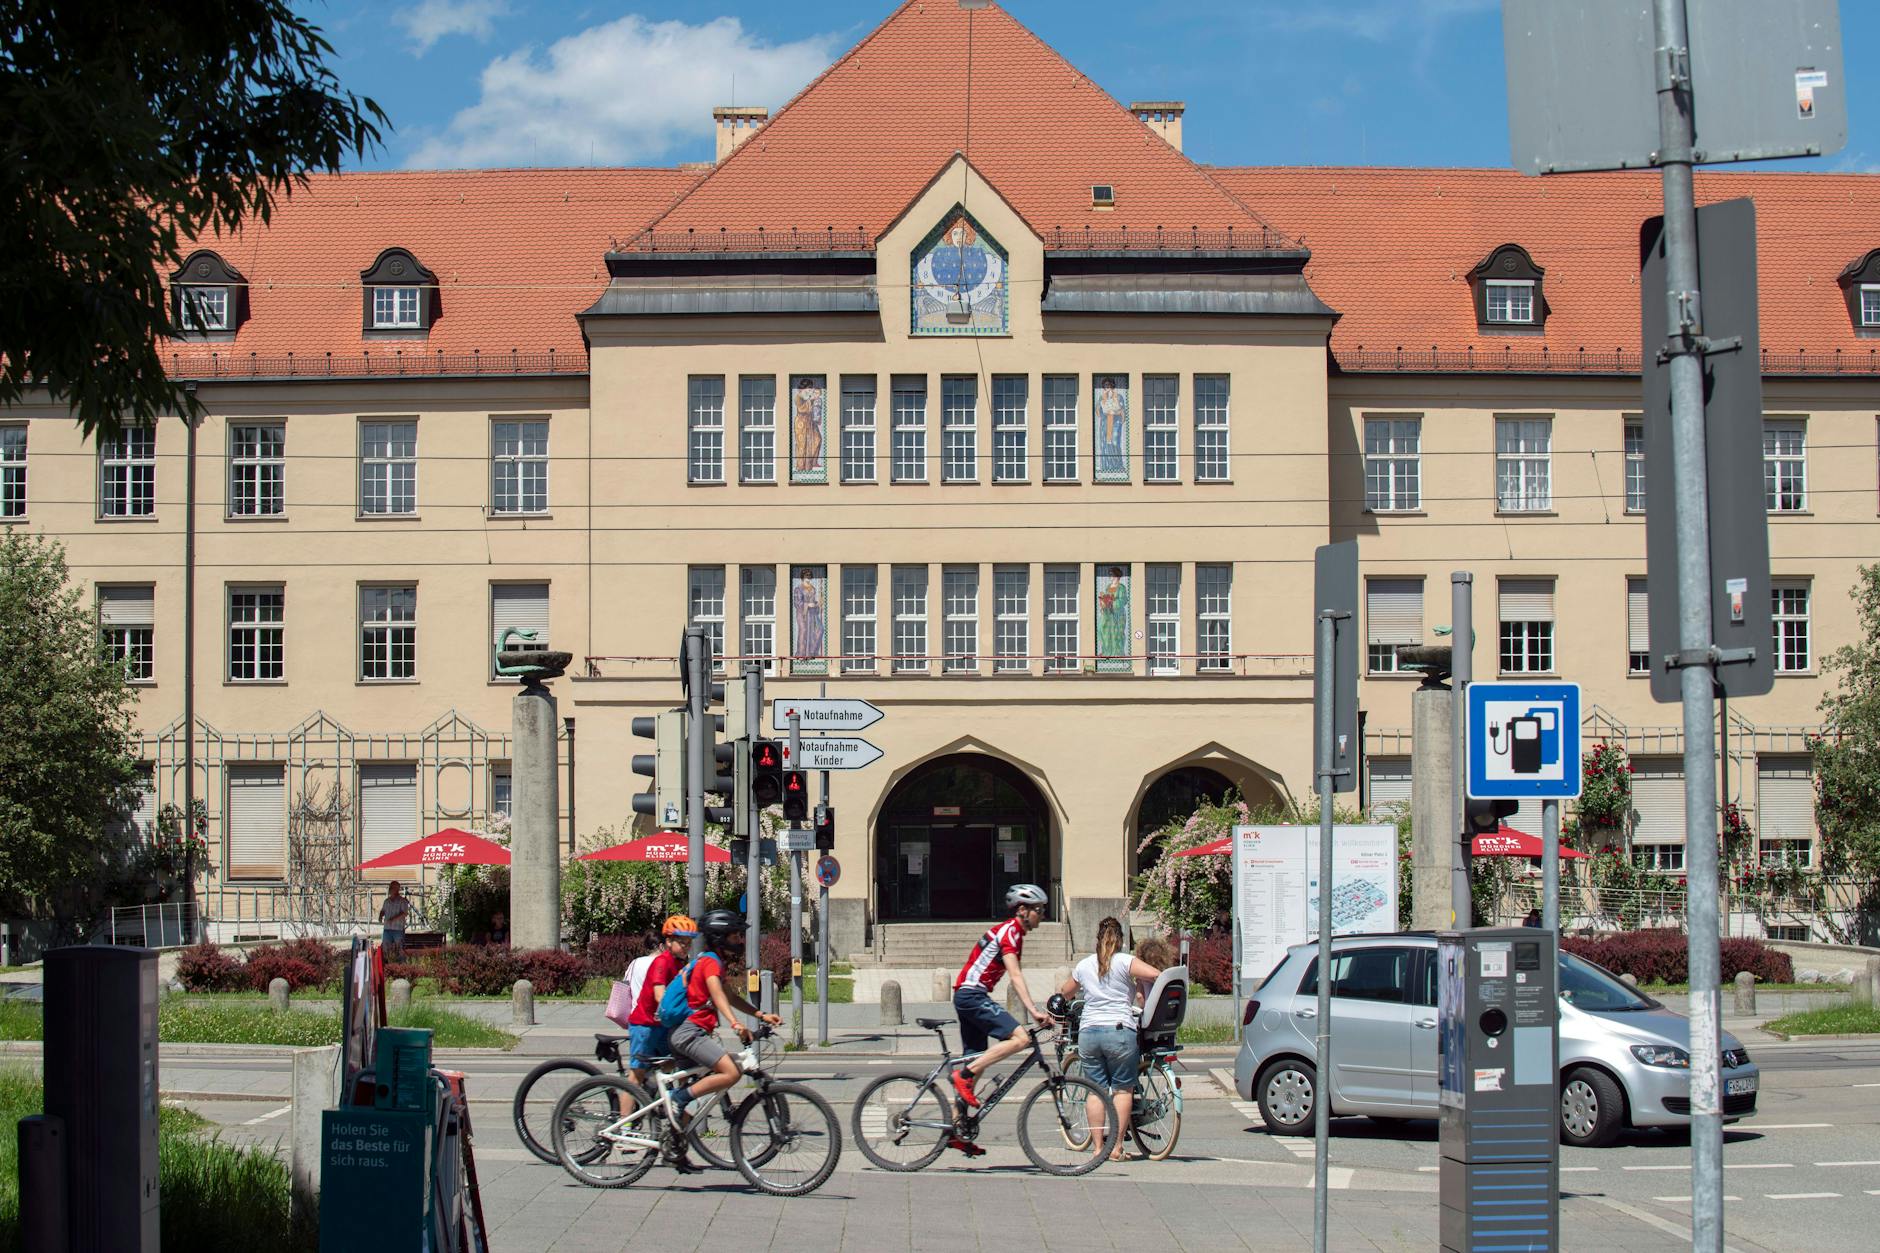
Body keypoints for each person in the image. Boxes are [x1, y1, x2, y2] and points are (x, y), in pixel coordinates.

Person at [948, 883, 1052, 1151]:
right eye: (1039, 910)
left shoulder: (1012, 932)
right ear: (1022, 910)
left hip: (968, 994)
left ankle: (957, 1131)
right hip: (972, 995)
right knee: (1021, 1039)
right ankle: (963, 1075)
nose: (1042, 915)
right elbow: (1015, 975)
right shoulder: (1010, 932)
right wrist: (1033, 1010)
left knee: (976, 1061)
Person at [667, 910, 782, 1152]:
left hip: (692, 1032)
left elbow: (730, 997)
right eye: (735, 936)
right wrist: (735, 1024)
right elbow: (717, 994)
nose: (739, 941)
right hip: (690, 1033)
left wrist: (760, 1015)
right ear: (720, 937)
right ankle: (678, 1100)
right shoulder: (710, 962)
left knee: (707, 1082)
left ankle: (675, 1146)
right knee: (730, 1073)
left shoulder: (713, 961)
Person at [1059, 917, 1165, 1160]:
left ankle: (1098, 1148)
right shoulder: (1125, 961)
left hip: (1089, 1033)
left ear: (1097, 939)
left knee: (1095, 1091)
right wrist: (1142, 987)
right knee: (1122, 1090)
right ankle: (1116, 1147)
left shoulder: (1084, 965)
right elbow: (1157, 975)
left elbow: (1065, 991)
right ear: (1121, 940)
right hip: (1119, 1031)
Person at [625, 915, 696, 1085]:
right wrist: (685, 1011)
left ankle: (660, 1094)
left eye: (689, 943)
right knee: (637, 1074)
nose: (686, 947)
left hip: (663, 1025)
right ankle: (627, 1104)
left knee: (676, 1063)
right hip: (645, 1025)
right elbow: (660, 996)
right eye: (682, 943)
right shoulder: (662, 962)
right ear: (669, 942)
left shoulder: (679, 964)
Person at [378, 882, 411, 960]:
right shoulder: (386, 901)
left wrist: (393, 919)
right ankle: (387, 964)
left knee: (399, 950)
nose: (390, 889)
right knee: (386, 949)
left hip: (398, 930)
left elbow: (404, 913)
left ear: (397, 889)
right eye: (390, 887)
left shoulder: (402, 901)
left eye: (392, 887)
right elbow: (383, 910)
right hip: (387, 929)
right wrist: (380, 916)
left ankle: (400, 965)